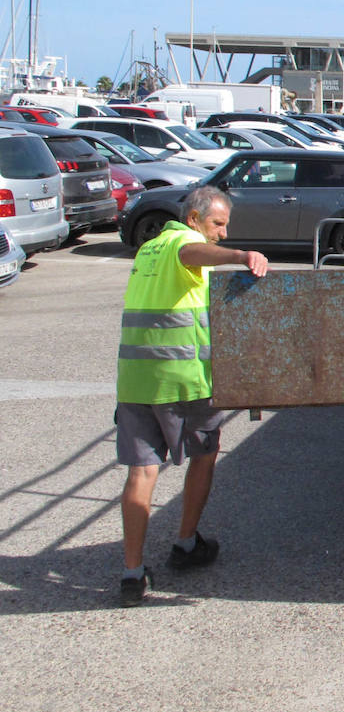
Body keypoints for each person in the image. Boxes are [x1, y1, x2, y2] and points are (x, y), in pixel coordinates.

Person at [116, 187, 270, 607]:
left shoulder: (148, 249)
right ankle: (185, 543)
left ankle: (132, 573)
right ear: (193, 219)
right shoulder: (184, 244)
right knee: (204, 454)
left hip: (135, 381)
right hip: (183, 380)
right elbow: (195, 256)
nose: (222, 233)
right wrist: (242, 256)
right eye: (217, 224)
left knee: (141, 473)